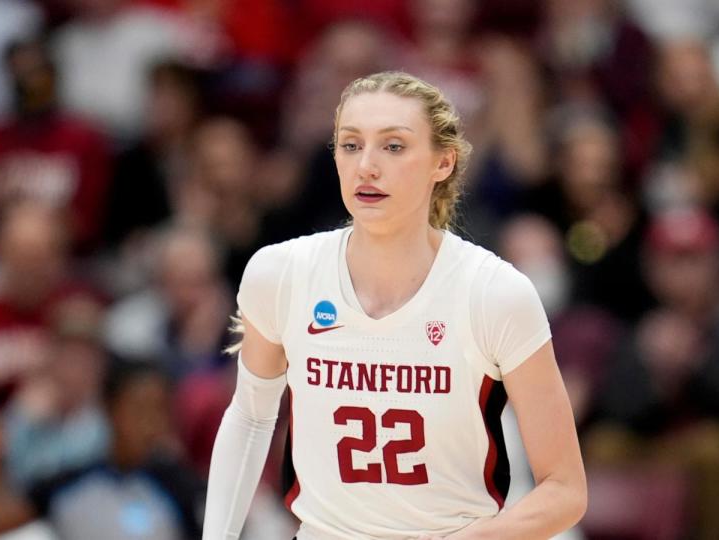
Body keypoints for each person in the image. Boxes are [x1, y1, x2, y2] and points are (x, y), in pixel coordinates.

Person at [203, 71, 586, 539]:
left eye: (394, 146)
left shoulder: (495, 293)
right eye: (350, 145)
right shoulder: (280, 273)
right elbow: (249, 417)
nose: (366, 166)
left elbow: (565, 489)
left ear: (442, 163)